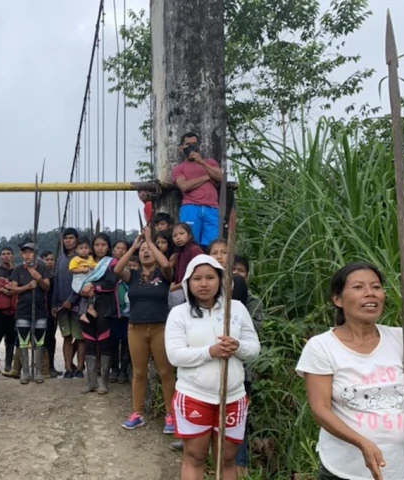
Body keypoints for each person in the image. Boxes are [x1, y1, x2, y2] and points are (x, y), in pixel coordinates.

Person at [296, 263, 404, 480]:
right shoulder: (321, 347)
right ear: (338, 299)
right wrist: (362, 443)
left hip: (402, 466)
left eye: (376, 287)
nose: (370, 293)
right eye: (358, 287)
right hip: (346, 469)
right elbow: (320, 410)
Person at [165, 254, 260, 480]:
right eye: (197, 278)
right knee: (195, 456)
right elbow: (175, 355)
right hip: (194, 396)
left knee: (227, 458)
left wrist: (236, 346)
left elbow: (254, 348)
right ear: (188, 281)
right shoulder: (179, 313)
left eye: (210, 277)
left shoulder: (236, 309)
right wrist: (210, 352)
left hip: (233, 397)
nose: (204, 283)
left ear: (221, 280)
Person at [114, 228, 176, 434]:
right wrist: (133, 246)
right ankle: (137, 413)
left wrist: (149, 240)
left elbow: (166, 263)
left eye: (150, 250)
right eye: (142, 250)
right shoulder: (133, 275)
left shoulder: (164, 274)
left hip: (160, 327)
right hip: (136, 328)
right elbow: (117, 269)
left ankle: (170, 415)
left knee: (166, 372)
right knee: (139, 373)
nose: (146, 252)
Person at [230, 255, 265, 477]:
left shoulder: (252, 302)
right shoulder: (214, 300)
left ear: (247, 274)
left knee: (238, 421)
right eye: (231, 270)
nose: (235, 275)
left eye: (240, 270)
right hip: (215, 371)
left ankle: (240, 468)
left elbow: (255, 337)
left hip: (244, 372)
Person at [76, 233, 117, 395]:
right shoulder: (87, 263)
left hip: (104, 307)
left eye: (103, 245)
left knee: (104, 343)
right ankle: (91, 381)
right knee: (89, 343)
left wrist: (93, 285)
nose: (100, 248)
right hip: (86, 305)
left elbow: (110, 283)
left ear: (108, 247)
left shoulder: (112, 263)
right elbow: (78, 280)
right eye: (97, 245)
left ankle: (104, 383)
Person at [7, 242, 52, 384]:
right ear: (21, 254)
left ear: (35, 253)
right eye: (25, 252)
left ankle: (38, 371)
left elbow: (47, 287)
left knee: (40, 341)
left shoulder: (43, 268)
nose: (27, 255)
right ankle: (25, 372)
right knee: (23, 341)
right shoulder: (18, 270)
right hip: (23, 310)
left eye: (30, 252)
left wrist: (38, 278)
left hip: (40, 309)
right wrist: (27, 286)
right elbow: (13, 289)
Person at [172, 132, 224, 250]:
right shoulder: (179, 168)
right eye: (187, 144)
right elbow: (184, 186)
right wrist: (207, 177)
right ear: (181, 148)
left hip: (212, 208)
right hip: (191, 207)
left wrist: (201, 162)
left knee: (213, 245)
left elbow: (220, 178)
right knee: (190, 244)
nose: (191, 147)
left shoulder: (210, 162)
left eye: (194, 144)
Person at [52, 228, 85, 379]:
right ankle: (68, 368)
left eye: (71, 238)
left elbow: (82, 281)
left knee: (80, 338)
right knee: (66, 337)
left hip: (78, 304)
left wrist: (71, 300)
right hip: (61, 306)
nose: (68, 241)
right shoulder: (60, 260)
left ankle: (79, 368)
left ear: (77, 240)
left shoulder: (83, 259)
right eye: (66, 238)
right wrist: (54, 304)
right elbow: (57, 283)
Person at [0, 247, 17, 374]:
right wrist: (1, 290)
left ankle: (8, 364)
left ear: (12, 255)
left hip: (14, 310)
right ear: (1, 256)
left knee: (11, 338)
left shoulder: (18, 270)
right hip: (0, 309)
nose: (6, 256)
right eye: (3, 254)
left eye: (8, 253)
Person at [109, 240, 131, 384]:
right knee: (112, 341)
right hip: (113, 311)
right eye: (118, 248)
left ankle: (123, 370)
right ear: (113, 250)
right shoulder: (107, 267)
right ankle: (114, 369)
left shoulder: (131, 268)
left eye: (124, 249)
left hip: (128, 313)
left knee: (126, 342)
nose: (121, 251)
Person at [168, 222, 204, 308]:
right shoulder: (180, 252)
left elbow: (198, 274)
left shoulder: (194, 250)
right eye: (175, 235)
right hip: (182, 290)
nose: (178, 237)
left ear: (190, 235)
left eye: (181, 233)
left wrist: (175, 287)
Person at [69, 237, 99, 323]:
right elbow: (71, 269)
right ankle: (89, 309)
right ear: (77, 250)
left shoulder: (90, 258)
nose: (83, 250)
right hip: (79, 279)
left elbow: (95, 266)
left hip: (88, 279)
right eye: (81, 248)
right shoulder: (75, 259)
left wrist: (93, 266)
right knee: (86, 295)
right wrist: (81, 270)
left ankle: (84, 313)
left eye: (86, 248)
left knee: (90, 293)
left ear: (89, 249)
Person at [42, 250, 61, 378]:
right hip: (40, 311)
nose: (49, 262)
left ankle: (51, 366)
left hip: (52, 311)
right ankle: (43, 367)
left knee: (51, 338)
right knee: (41, 339)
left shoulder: (56, 277)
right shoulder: (39, 276)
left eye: (51, 259)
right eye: (46, 259)